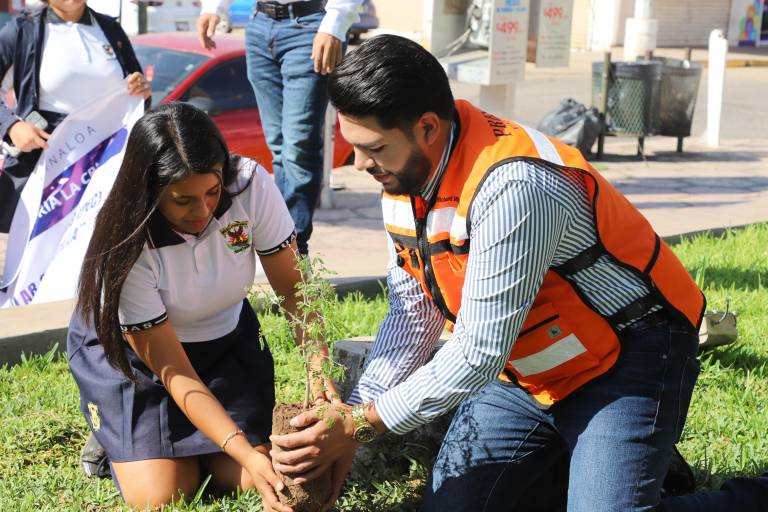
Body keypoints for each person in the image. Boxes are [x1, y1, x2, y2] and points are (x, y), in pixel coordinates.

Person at [267, 35, 707, 511]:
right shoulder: (404, 172)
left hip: (627, 356)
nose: (359, 164)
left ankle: (689, 475)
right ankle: (598, 460)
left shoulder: (516, 186)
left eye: (372, 147)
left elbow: (478, 352)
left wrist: (360, 426)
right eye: (353, 145)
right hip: (526, 371)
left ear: (427, 127)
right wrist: (355, 415)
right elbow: (414, 311)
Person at [68, 102, 336, 510]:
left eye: (212, 192)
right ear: (149, 191)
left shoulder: (249, 185)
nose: (203, 211)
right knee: (164, 495)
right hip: (140, 360)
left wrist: (318, 371)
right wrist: (245, 453)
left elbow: (294, 289)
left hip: (223, 343)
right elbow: (174, 372)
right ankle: (116, 436)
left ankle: (169, 446)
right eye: (183, 200)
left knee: (251, 478)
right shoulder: (126, 245)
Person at [196, 0, 362, 256]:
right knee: (279, 146)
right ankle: (281, 242)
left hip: (310, 24)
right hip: (259, 23)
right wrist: (213, 8)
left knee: (298, 147)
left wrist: (335, 23)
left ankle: (294, 250)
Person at [0, 0, 150, 234]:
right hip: (48, 172)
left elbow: (138, 92)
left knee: (98, 242)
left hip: (104, 165)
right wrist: (12, 126)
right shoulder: (21, 30)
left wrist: (142, 89)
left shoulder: (110, 29)